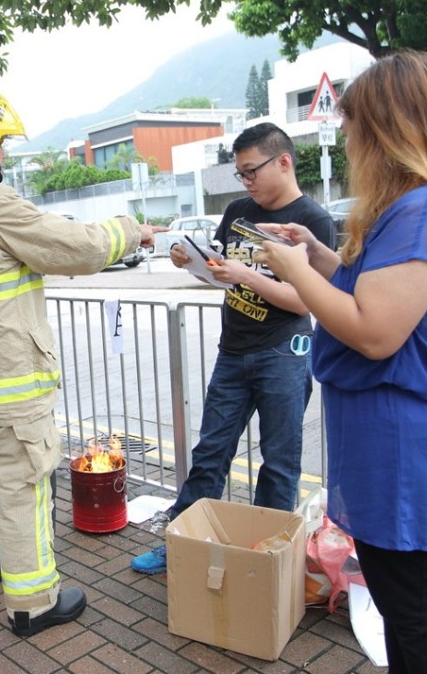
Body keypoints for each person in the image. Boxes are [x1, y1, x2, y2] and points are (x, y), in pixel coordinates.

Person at [259, 51, 427, 673]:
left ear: (387, 128)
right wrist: (318, 256)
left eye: (354, 124)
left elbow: (374, 331)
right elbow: (380, 295)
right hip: (405, 456)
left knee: (420, 627)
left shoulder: (424, 209)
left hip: (408, 461)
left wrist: (291, 272)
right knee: (418, 619)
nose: (345, 137)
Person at [0, 82, 162, 637]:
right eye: (0, 142)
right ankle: (33, 603)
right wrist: (130, 231)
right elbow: (76, 247)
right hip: (12, 388)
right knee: (24, 489)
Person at [132, 122, 335, 575]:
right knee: (210, 454)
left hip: (285, 351)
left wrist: (245, 276)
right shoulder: (240, 210)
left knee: (279, 463)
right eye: (240, 175)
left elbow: (305, 300)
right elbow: (220, 269)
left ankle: (264, 562)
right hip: (233, 350)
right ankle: (181, 543)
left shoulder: (312, 222)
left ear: (283, 161)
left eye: (251, 171)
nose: (246, 183)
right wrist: (193, 262)